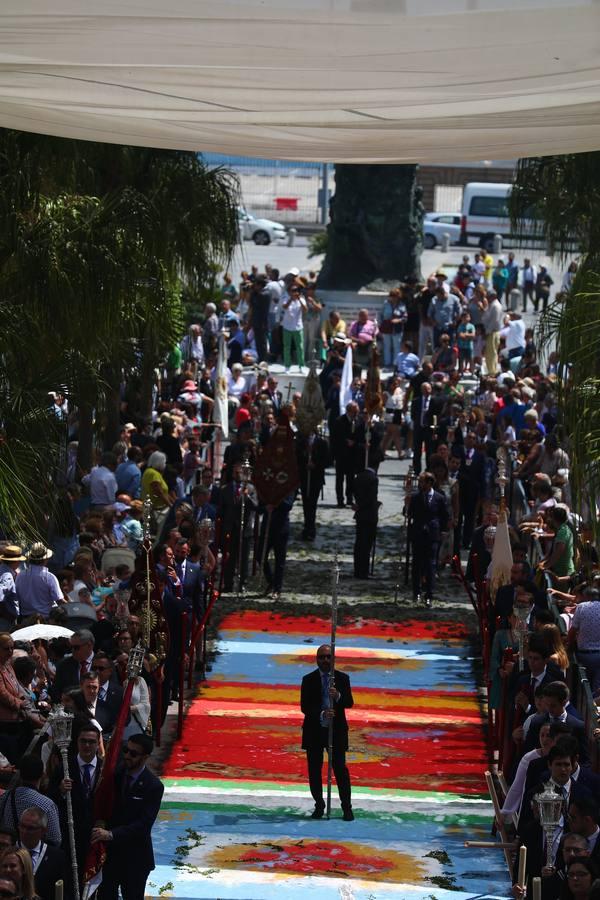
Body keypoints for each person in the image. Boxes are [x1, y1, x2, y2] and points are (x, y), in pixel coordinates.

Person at [93, 733, 164, 900]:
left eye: (133, 753)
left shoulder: (153, 786)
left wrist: (111, 834)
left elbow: (144, 824)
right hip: (111, 856)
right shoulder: (114, 776)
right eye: (126, 750)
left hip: (135, 858)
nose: (127, 756)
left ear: (145, 757)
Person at [300, 645, 354, 821]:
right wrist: (322, 713)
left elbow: (349, 702)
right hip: (314, 730)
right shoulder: (308, 680)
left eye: (328, 657)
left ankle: (347, 807)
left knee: (340, 769)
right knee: (315, 771)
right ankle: (319, 805)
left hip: (336, 731)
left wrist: (337, 695)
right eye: (322, 657)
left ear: (333, 659)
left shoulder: (342, 679)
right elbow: (305, 706)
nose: (325, 660)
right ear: (317, 659)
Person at [406, 471, 449, 605]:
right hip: (418, 533)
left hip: (432, 534)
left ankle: (429, 594)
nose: (420, 485)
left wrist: (443, 530)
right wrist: (407, 504)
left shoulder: (439, 497)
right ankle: (416, 592)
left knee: (431, 565)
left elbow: (444, 515)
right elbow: (409, 513)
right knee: (417, 564)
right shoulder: (415, 497)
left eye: (423, 482)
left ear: (430, 483)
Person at [0, 756, 61, 847]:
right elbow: (55, 839)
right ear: (42, 774)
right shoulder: (47, 804)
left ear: (20, 774)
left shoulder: (6, 797)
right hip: (36, 856)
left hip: (11, 853)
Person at [257, 494, 294, 600]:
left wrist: (275, 502)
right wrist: (265, 507)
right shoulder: (268, 490)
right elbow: (260, 508)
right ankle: (271, 581)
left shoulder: (288, 488)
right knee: (260, 556)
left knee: (279, 561)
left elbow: (288, 505)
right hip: (267, 527)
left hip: (281, 528)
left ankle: (277, 589)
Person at [296, 430, 329, 541]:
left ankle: (311, 529)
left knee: (312, 503)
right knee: (306, 502)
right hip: (305, 477)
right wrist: (305, 460)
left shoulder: (322, 442)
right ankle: (307, 527)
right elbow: (297, 457)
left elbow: (327, 460)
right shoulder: (301, 442)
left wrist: (315, 465)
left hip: (316, 478)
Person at [15, 544, 63, 620]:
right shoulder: (49, 577)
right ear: (45, 559)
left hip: (25, 619)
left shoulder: (20, 576)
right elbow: (59, 600)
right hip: (45, 619)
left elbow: (17, 597)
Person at [331, 402, 363, 508]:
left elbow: (360, 435)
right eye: (354, 412)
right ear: (349, 411)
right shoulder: (339, 421)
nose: (356, 414)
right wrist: (345, 442)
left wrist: (355, 442)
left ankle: (350, 498)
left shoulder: (358, 421)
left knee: (351, 478)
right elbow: (335, 437)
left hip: (353, 454)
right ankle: (340, 500)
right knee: (339, 478)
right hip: (341, 454)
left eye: (357, 412)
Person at [352, 466, 379, 580]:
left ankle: (358, 570)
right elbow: (371, 497)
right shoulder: (373, 479)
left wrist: (358, 504)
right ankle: (364, 571)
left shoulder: (358, 478)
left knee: (359, 544)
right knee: (366, 544)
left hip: (360, 515)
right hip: (369, 515)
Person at [281, 283, 306, 371]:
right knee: (287, 347)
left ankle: (301, 366)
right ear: (289, 292)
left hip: (298, 327)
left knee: (300, 347)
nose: (294, 292)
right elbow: (284, 307)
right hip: (287, 327)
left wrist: (299, 300)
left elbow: (305, 309)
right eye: (292, 291)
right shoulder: (285, 298)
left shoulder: (302, 299)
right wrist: (291, 300)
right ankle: (287, 366)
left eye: (296, 291)